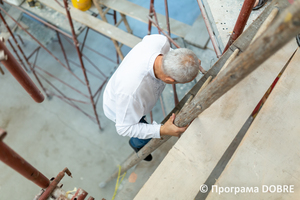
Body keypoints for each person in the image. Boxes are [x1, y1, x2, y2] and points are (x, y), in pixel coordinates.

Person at [103, 34, 204, 161]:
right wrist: (162, 130)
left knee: (146, 126)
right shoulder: (131, 93)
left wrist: (190, 61)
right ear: (169, 80)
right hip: (119, 107)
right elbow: (124, 128)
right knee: (143, 130)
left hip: (131, 98)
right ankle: (136, 144)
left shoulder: (160, 41)